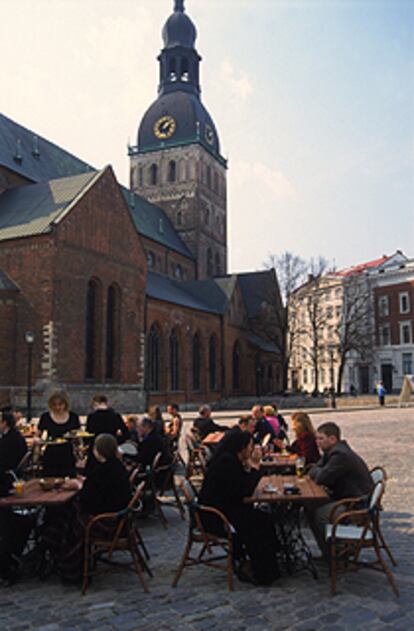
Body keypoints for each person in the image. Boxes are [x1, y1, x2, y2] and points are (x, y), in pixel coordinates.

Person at [199, 431, 280, 586]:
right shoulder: (226, 462)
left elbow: (240, 486)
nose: (251, 450)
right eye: (250, 447)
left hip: (226, 508)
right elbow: (245, 490)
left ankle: (268, 564)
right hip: (216, 516)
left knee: (263, 518)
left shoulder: (229, 459)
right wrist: (255, 467)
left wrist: (249, 467)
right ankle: (260, 569)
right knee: (259, 522)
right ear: (241, 447)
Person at [307, 422, 373, 558]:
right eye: (316, 439)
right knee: (309, 508)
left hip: (356, 504)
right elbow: (315, 468)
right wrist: (317, 470)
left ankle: (336, 552)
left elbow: (320, 477)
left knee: (319, 514)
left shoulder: (339, 455)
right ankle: (329, 552)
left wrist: (316, 471)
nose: (317, 442)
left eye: (321, 439)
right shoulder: (331, 452)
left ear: (332, 439)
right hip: (346, 498)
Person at [0, 412, 32, 584]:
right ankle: (8, 564)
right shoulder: (13, 438)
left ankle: (11, 560)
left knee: (23, 522)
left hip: (8, 484)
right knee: (17, 523)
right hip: (8, 486)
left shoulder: (8, 440)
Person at [78, 434, 131, 516]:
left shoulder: (101, 471)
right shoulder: (118, 465)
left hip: (105, 513)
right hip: (119, 508)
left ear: (98, 450)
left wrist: (79, 485)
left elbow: (87, 497)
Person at [85, 394, 130, 474]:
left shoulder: (92, 417)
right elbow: (126, 434)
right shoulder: (115, 416)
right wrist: (116, 441)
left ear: (95, 404)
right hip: (111, 450)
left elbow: (87, 435)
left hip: (95, 450)